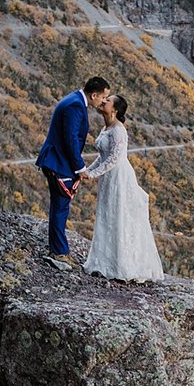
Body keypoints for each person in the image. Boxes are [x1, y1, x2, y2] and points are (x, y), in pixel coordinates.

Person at [80, 94, 164, 282]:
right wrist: (87, 170)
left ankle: (121, 264)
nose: (103, 101)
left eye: (107, 100)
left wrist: (92, 174)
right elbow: (102, 157)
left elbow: (114, 159)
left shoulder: (119, 131)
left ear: (115, 110)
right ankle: (103, 261)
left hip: (119, 177)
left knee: (118, 216)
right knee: (107, 214)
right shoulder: (106, 127)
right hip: (108, 177)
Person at [36, 75, 111, 269]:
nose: (104, 102)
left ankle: (57, 248)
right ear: (94, 95)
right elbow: (70, 140)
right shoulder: (75, 106)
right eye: (103, 97)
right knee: (61, 206)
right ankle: (59, 252)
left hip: (57, 160)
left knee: (59, 206)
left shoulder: (74, 100)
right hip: (58, 163)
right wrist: (80, 168)